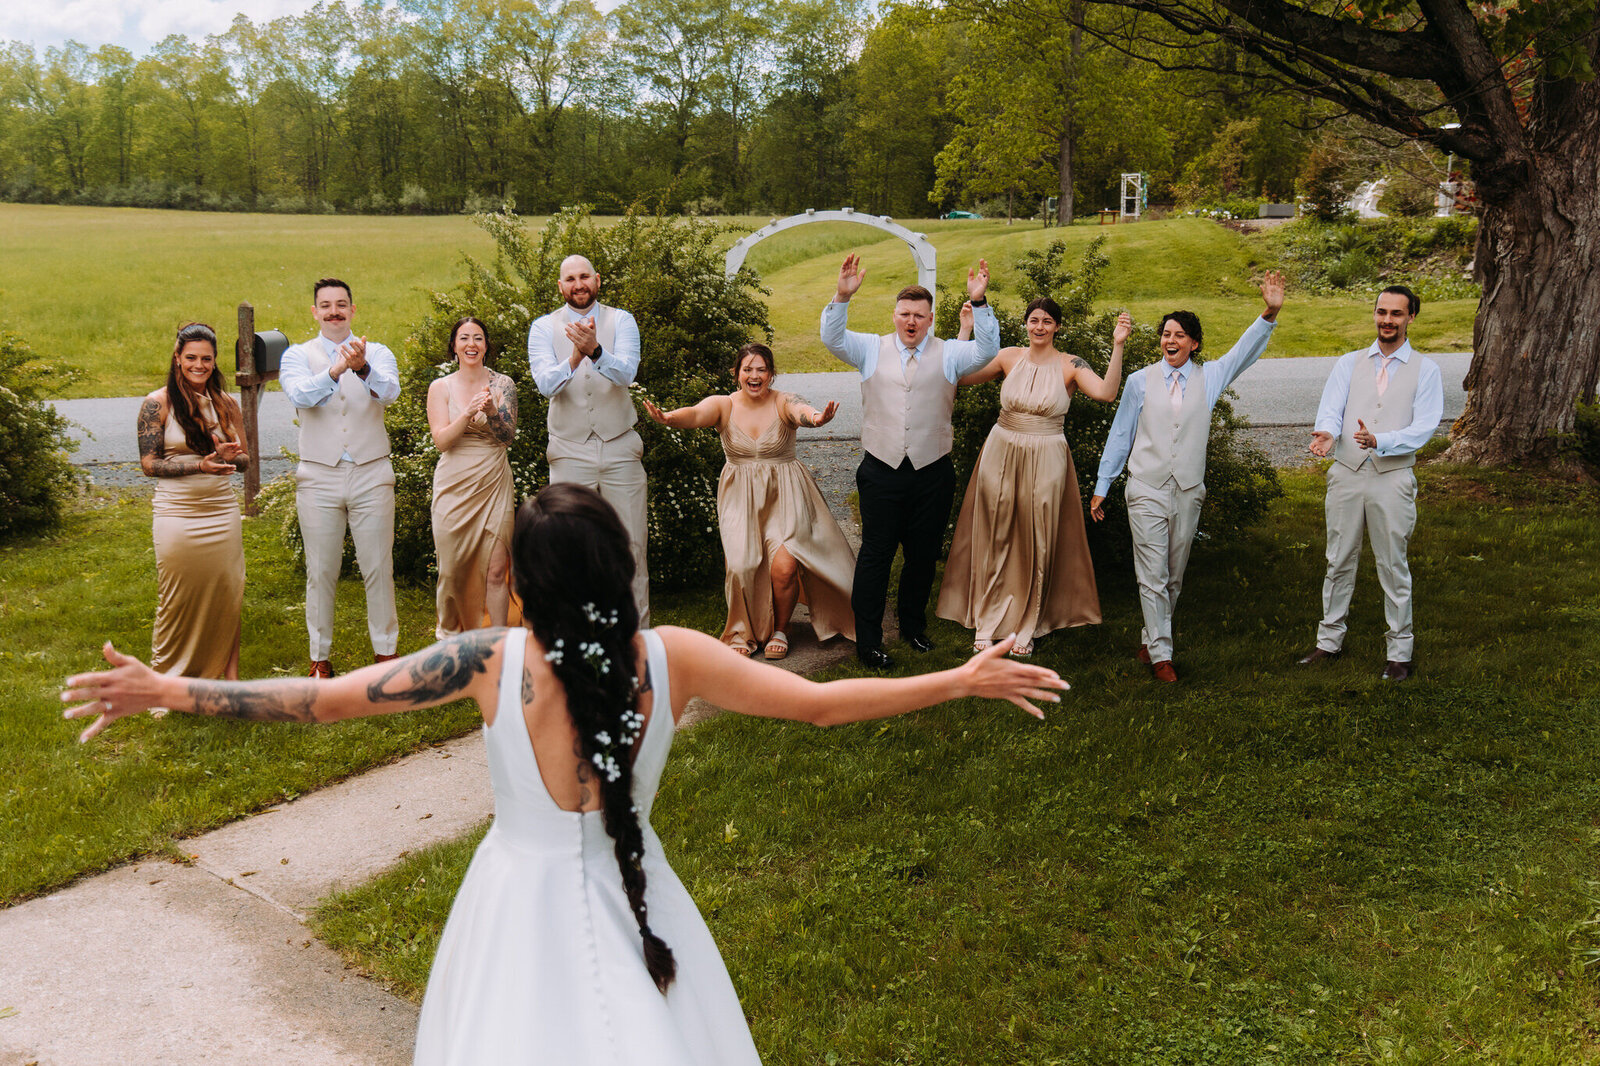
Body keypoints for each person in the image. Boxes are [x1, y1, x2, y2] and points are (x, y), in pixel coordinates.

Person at [63, 482, 1069, 1065]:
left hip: (513, 907)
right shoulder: (675, 656)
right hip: (641, 898)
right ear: (618, 566)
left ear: (522, 580)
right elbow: (818, 704)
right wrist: (958, 679)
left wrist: (169, 689)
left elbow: (322, 701)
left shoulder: (486, 662)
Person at [1090, 272, 1287, 682]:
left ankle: (1150, 639)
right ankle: (1162, 656)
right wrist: (1103, 485)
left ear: (1193, 343)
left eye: (1179, 335)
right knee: (1152, 574)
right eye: (1166, 334)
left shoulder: (1209, 377)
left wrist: (1269, 313)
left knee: (1173, 575)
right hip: (1145, 487)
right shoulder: (1139, 381)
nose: (1171, 340)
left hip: (1188, 490)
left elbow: (1243, 352)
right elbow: (1121, 434)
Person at [821, 254, 1000, 669]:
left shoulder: (950, 353)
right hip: (881, 470)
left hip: (932, 471)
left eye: (919, 315)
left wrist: (980, 302)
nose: (911, 321)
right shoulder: (870, 348)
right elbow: (832, 338)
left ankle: (913, 628)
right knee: (876, 555)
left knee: (921, 556)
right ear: (895, 315)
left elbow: (988, 350)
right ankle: (868, 641)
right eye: (904, 314)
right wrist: (842, 297)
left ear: (930, 319)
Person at [938, 300, 1132, 655]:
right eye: (1033, 320)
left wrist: (1118, 344)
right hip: (1001, 450)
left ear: (1057, 326)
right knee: (996, 530)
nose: (1039, 327)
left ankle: (1028, 624)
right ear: (1025, 323)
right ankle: (987, 619)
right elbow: (957, 376)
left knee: (1037, 534)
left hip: (1047, 453)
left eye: (1047, 321)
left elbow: (1106, 393)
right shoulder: (1008, 356)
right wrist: (965, 331)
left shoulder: (1071, 364)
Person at [643, 343, 855, 659]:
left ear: (771, 374)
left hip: (785, 493)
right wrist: (669, 418)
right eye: (748, 369)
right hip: (739, 497)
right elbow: (696, 414)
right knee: (741, 566)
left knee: (784, 567)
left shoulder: (782, 401)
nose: (755, 376)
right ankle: (741, 632)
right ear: (737, 373)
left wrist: (817, 418)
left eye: (762, 370)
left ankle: (781, 629)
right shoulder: (724, 405)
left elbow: (801, 411)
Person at [1297, 285, 1443, 681]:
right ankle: (1329, 642)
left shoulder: (1426, 370)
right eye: (1382, 312)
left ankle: (1399, 653)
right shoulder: (1349, 363)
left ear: (1411, 317)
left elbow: (1424, 427)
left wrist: (1382, 440)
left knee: (1392, 564)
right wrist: (1327, 433)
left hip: (1392, 478)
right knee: (1338, 559)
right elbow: (1331, 408)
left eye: (1396, 313)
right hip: (1346, 472)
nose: (1387, 320)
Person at [279, 278, 402, 678]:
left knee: (378, 566)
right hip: (319, 474)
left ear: (352, 309)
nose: (334, 311)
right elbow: (300, 396)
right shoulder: (296, 355)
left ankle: (386, 655)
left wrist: (362, 368)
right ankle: (319, 658)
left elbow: (390, 393)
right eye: (326, 305)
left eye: (341, 304)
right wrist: (336, 370)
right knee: (321, 570)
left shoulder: (377, 352)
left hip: (371, 471)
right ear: (315, 312)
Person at [528, 254, 650, 624]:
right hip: (568, 449)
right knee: (568, 547)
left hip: (620, 444)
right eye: (570, 279)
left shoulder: (622, 320)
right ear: (560, 286)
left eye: (584, 277)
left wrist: (596, 351)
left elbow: (626, 374)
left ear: (597, 280)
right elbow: (545, 385)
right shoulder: (542, 327)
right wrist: (574, 357)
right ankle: (573, 635)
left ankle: (636, 635)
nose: (578, 284)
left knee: (631, 544)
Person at [135, 322, 248, 681]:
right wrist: (199, 464)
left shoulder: (226, 404)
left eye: (207, 359)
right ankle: (166, 682)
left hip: (221, 512)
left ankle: (227, 680)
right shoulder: (157, 404)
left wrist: (230, 455)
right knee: (177, 597)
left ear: (215, 361)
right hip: (177, 513)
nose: (199, 365)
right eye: (191, 358)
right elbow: (149, 465)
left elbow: (246, 461)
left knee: (227, 593)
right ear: (177, 358)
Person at [427, 316, 518, 638]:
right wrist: (467, 413)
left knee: (495, 570)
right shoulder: (440, 388)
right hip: (454, 484)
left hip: (493, 480)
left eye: (478, 338)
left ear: (486, 345)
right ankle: (450, 638)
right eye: (464, 338)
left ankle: (498, 643)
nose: (471, 344)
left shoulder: (503, 385)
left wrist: (492, 411)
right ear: (454, 346)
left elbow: (507, 437)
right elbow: (442, 441)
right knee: (452, 570)